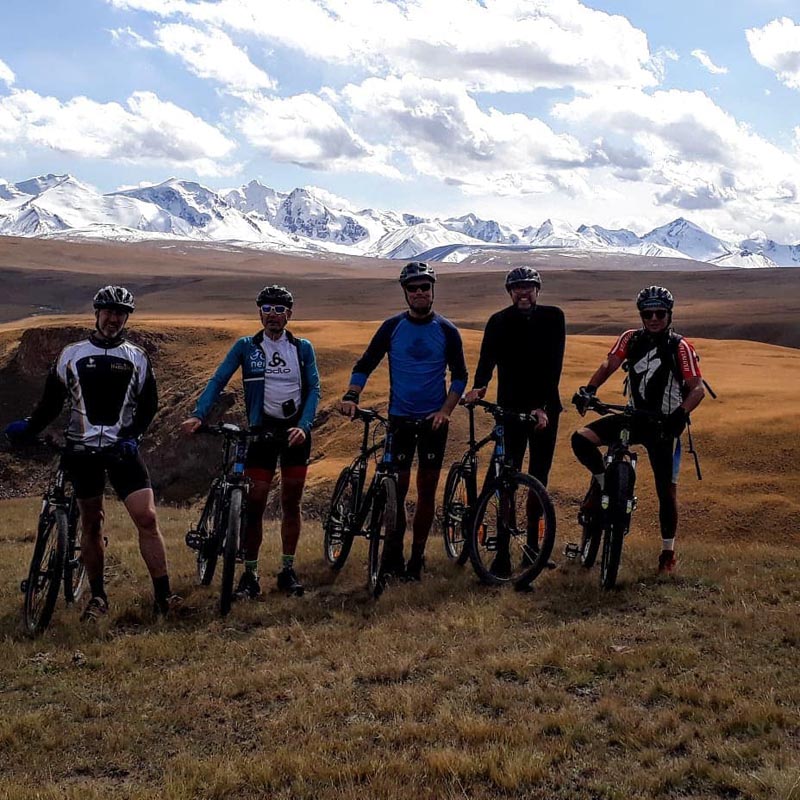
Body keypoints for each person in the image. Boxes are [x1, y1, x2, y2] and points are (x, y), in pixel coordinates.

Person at [4, 286, 180, 620]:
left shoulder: (137, 357)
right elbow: (51, 402)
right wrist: (30, 427)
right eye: (108, 312)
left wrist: (134, 436)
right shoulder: (71, 354)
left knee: (147, 517)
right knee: (92, 522)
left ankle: (164, 596)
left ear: (126, 318)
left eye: (120, 313)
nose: (113, 318)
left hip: (121, 450)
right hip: (82, 451)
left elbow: (148, 407)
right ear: (97, 314)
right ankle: (98, 598)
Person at [181, 285, 320, 598]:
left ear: (289, 314)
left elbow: (314, 389)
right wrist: (199, 415)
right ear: (259, 313)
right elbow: (219, 380)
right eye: (267, 309)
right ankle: (250, 573)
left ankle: (287, 569)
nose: (273, 315)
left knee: (291, 503)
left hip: (295, 433)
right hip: (261, 432)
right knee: (255, 505)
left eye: (279, 309)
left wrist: (305, 426)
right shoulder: (246, 346)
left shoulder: (302, 348)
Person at [340, 262, 468, 583]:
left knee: (426, 492)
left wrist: (445, 411)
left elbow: (460, 376)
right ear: (406, 293)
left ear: (432, 290)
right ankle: (391, 555)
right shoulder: (392, 327)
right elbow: (366, 363)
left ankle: (417, 557)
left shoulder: (447, 330)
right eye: (414, 288)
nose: (420, 292)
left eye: (425, 287)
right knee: (395, 488)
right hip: (399, 420)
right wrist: (352, 395)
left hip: (432, 424)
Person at [571, 285, 705, 573]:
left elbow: (697, 389)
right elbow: (611, 363)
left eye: (660, 313)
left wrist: (680, 415)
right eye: (648, 313)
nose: (654, 318)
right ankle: (605, 482)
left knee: (665, 491)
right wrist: (589, 389)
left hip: (662, 425)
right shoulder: (630, 338)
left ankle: (667, 553)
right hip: (633, 417)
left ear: (669, 315)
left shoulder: (680, 348)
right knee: (581, 439)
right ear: (641, 315)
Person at [464, 266, 565, 575]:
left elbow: (554, 366)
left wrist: (544, 407)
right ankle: (503, 553)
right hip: (509, 409)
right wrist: (479, 387)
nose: (524, 292)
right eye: (517, 288)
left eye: (529, 287)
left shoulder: (553, 318)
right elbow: (487, 360)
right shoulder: (498, 322)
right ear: (509, 292)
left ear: (538, 290)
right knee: (506, 481)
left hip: (545, 410)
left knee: (538, 481)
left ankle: (533, 549)